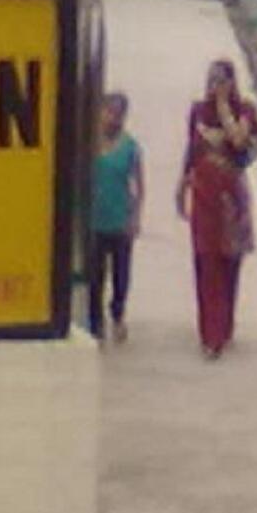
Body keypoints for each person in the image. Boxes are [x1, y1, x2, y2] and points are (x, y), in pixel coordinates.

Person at [174, 60, 257, 359]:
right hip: (204, 194)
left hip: (231, 197)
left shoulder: (245, 111)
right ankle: (210, 334)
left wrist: (225, 109)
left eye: (221, 81)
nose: (216, 87)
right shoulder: (198, 112)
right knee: (205, 259)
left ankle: (224, 325)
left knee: (229, 261)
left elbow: (239, 142)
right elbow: (192, 149)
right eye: (212, 81)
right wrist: (182, 185)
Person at [90, 92, 144, 344]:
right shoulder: (90, 144)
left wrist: (135, 217)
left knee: (121, 274)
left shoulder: (131, 148)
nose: (112, 118)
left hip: (120, 218)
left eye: (117, 114)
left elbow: (138, 185)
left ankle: (117, 313)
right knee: (96, 274)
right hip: (95, 218)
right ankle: (95, 321)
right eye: (108, 112)